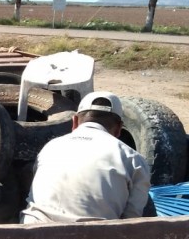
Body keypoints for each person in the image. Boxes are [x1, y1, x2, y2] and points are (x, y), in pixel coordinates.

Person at [20, 91, 151, 223]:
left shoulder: (49, 147)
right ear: (119, 129)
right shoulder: (133, 159)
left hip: (35, 236)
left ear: (75, 121)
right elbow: (132, 219)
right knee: (147, 203)